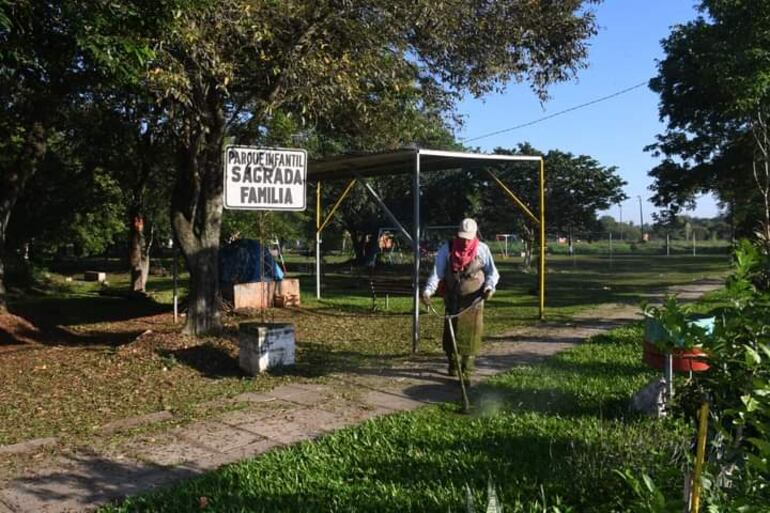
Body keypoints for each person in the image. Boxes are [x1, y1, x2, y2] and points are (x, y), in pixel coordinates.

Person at [421, 218, 499, 381]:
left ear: (474, 236)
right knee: (451, 336)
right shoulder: (447, 249)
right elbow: (437, 273)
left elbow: (493, 273)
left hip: (474, 303)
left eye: (468, 239)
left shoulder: (482, 250)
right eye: (462, 238)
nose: (465, 242)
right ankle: (453, 365)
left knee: (471, 336)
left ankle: (468, 370)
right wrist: (428, 291)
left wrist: (489, 287)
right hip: (453, 300)